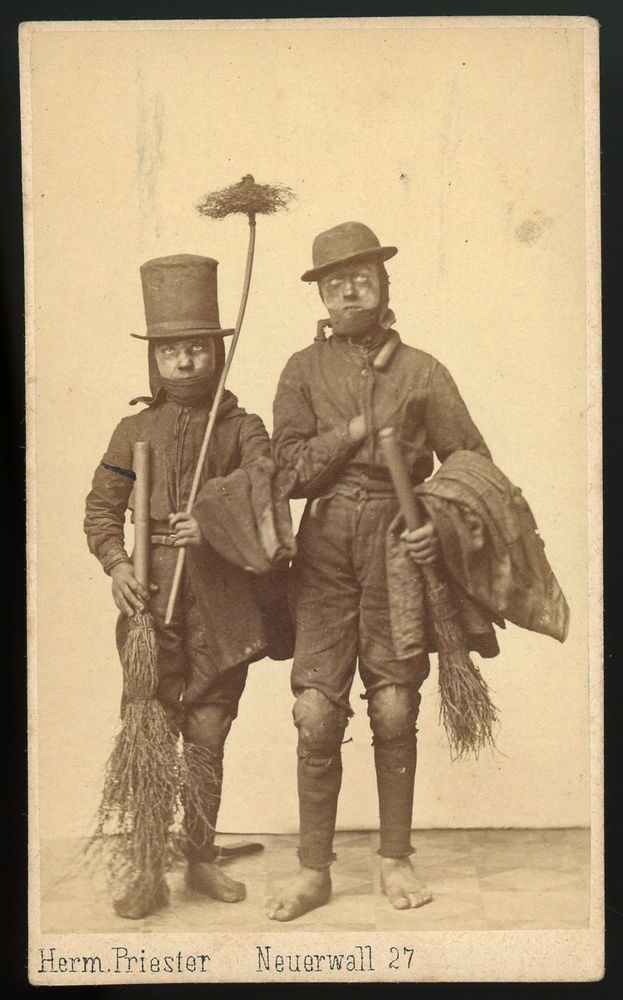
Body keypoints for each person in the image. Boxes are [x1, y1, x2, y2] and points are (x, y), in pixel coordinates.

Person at [267, 221, 491, 921]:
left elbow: (472, 468)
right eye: (335, 282)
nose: (349, 287)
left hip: (398, 545)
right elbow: (288, 471)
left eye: (362, 274)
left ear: (385, 283)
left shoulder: (423, 370)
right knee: (314, 714)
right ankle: (313, 870)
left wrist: (439, 530)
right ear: (322, 297)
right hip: (326, 546)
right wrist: (353, 434)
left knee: (394, 706)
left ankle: (394, 860)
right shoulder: (301, 371)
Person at [85, 253, 293, 919]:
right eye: (170, 351)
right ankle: (148, 866)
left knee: (207, 731)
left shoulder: (241, 428)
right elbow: (98, 510)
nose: (183, 363)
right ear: (156, 359)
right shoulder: (133, 429)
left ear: (216, 354)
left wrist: (211, 523)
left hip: (221, 610)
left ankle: (200, 858)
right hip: (149, 610)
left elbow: (267, 498)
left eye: (196, 349)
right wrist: (118, 563)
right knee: (148, 728)